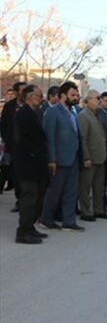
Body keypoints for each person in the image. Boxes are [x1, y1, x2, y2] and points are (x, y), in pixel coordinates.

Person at [38, 81, 84, 232]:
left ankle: (68, 221)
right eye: (73, 95)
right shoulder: (53, 112)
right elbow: (49, 137)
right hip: (59, 159)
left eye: (77, 95)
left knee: (72, 191)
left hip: (74, 158)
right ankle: (46, 219)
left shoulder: (73, 112)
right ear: (62, 96)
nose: (76, 97)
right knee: (55, 191)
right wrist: (51, 159)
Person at [14, 85, 49, 244]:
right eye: (38, 95)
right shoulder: (22, 114)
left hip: (37, 164)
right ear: (30, 96)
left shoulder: (35, 113)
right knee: (29, 197)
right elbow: (20, 140)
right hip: (27, 164)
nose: (41, 98)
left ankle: (30, 227)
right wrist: (33, 154)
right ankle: (23, 231)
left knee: (37, 197)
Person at [77, 90, 107, 222]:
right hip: (90, 157)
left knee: (99, 186)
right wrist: (86, 157)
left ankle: (98, 209)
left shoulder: (97, 115)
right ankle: (86, 211)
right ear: (87, 100)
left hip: (100, 156)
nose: (99, 101)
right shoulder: (83, 116)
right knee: (85, 186)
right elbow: (83, 138)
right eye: (97, 98)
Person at [1, 81, 27, 211]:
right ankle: (19, 201)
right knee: (16, 176)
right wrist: (8, 141)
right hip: (14, 148)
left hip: (28, 149)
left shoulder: (31, 106)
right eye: (22, 90)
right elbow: (4, 126)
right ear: (17, 92)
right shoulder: (9, 107)